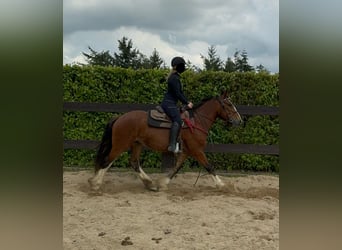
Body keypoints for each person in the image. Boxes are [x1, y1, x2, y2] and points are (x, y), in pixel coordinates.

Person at [161, 56, 193, 153]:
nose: (183, 67)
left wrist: (187, 101)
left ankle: (178, 143)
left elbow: (180, 93)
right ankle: (172, 145)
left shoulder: (176, 77)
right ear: (175, 67)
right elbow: (177, 93)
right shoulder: (174, 78)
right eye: (181, 65)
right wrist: (187, 103)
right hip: (169, 104)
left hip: (172, 103)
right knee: (178, 120)